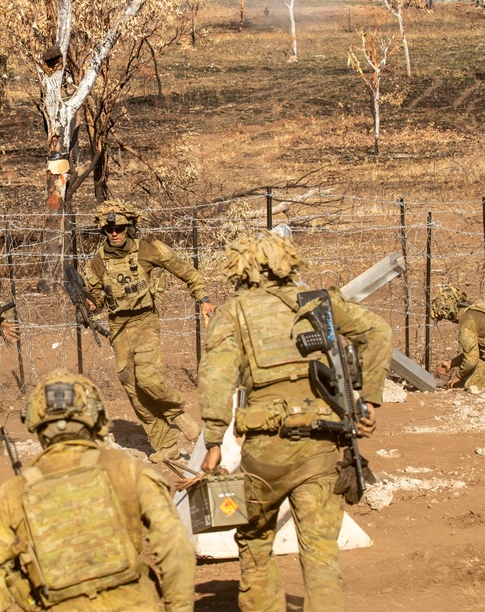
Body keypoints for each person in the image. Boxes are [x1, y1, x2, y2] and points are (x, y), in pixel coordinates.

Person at [198, 231, 391, 612]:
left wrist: (214, 440)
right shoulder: (319, 303)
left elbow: (217, 375)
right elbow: (378, 333)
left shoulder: (234, 312)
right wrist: (369, 402)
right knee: (320, 549)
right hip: (322, 446)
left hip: (265, 452)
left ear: (243, 267)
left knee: (254, 541)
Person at [0, 369, 195, 612]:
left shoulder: (13, 493)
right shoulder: (128, 472)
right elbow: (176, 548)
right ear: (96, 418)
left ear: (34, 423)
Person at [82, 199, 214, 462]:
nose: (115, 233)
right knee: (132, 386)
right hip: (119, 326)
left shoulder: (147, 250)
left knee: (149, 379)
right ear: (103, 233)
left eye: (119, 228)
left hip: (145, 321)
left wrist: (203, 298)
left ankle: (178, 414)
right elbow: (96, 300)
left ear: (129, 227)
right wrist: (88, 303)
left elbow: (188, 272)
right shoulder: (98, 261)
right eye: (109, 230)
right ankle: (166, 445)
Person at [431, 286, 485, 389]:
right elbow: (476, 351)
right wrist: (452, 363)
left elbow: (471, 360)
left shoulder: (467, 323)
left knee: (472, 386)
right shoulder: (477, 309)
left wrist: (459, 376)